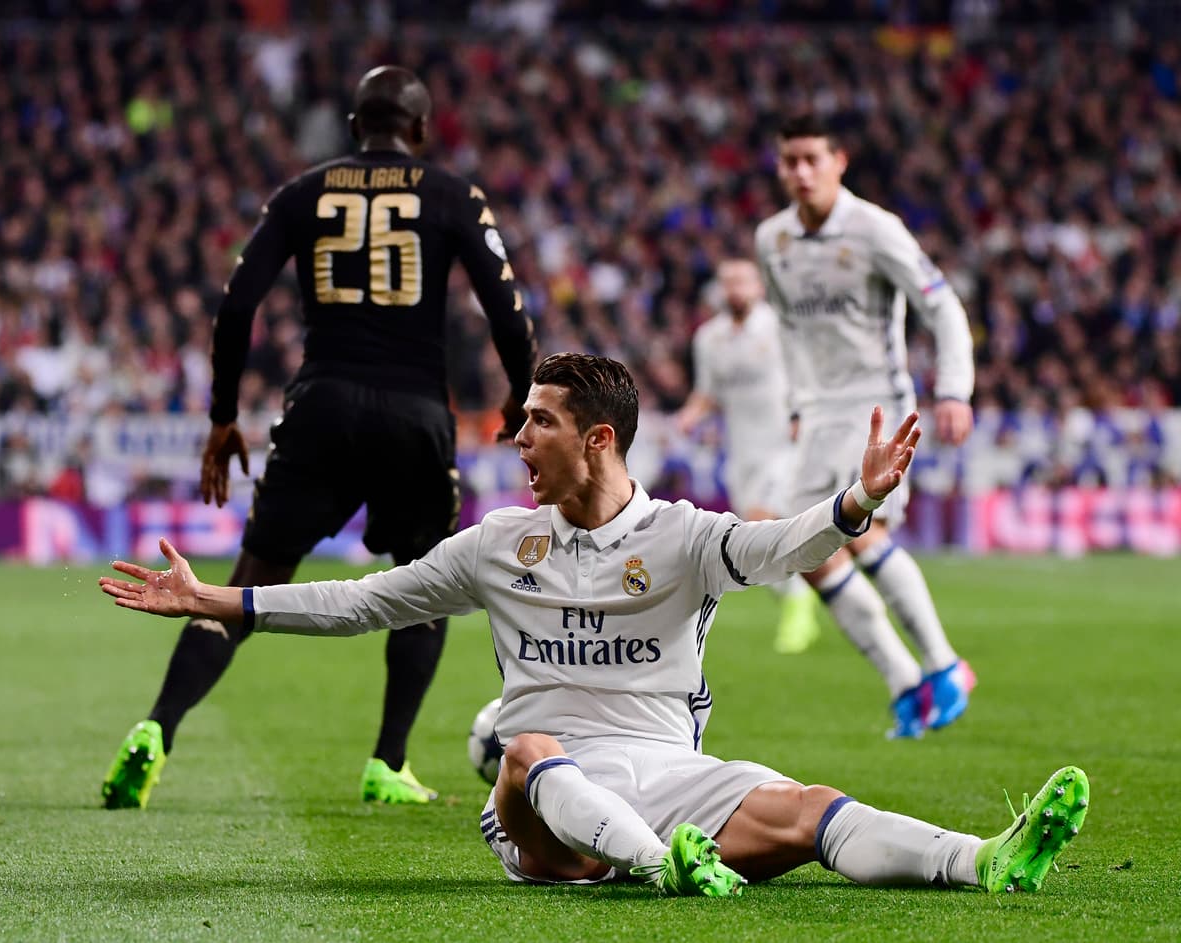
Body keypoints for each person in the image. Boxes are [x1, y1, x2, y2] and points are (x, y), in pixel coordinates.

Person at [100, 353, 1087, 897]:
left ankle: (982, 858)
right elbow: (363, 599)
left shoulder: (687, 537)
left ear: (597, 438)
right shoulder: (496, 543)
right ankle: (666, 870)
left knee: (808, 806)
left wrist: (850, 506)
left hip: (667, 774)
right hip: (545, 810)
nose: (514, 436)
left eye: (536, 421)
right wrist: (216, 599)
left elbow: (783, 545)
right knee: (523, 748)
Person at [100, 65, 538, 809]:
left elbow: (237, 304)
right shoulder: (451, 193)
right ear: (421, 130)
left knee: (249, 579)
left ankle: (156, 726)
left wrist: (220, 416)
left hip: (321, 404)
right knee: (426, 582)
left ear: (351, 126)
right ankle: (387, 761)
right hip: (413, 411)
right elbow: (506, 306)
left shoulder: (304, 192)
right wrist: (523, 399)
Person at [754, 114, 977, 739]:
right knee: (805, 549)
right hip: (818, 413)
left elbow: (942, 306)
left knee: (864, 530)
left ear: (838, 162)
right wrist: (798, 402)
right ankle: (909, 682)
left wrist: (954, 389)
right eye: (788, 161)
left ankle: (944, 666)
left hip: (875, 406)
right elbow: (791, 330)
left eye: (811, 160)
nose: (800, 172)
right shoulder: (771, 240)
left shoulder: (876, 230)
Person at [677, 258, 820, 655]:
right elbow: (707, 392)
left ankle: (798, 603)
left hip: (782, 447)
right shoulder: (709, 338)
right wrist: (689, 417)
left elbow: (806, 374)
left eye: (742, 281)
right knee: (752, 546)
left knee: (759, 523)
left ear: (758, 287)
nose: (735, 289)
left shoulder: (777, 327)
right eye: (728, 282)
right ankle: (799, 592)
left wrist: (800, 414)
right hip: (740, 453)